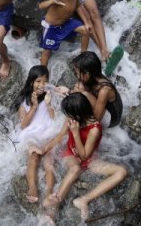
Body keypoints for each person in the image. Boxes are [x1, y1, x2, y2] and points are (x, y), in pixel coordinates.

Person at [38, 93, 128, 221]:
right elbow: (59, 137)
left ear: (78, 114)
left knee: (122, 172)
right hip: (70, 154)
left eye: (69, 114)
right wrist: (43, 149)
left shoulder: (94, 128)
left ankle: (84, 200)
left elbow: (85, 155)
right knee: (75, 169)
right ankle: (53, 206)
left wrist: (75, 133)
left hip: (89, 159)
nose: (67, 117)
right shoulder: (71, 118)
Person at [12, 65, 58, 204]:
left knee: (49, 162)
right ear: (31, 82)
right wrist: (34, 106)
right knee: (34, 157)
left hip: (48, 132)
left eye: (45, 81)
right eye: (38, 81)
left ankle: (49, 192)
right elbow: (24, 124)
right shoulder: (24, 101)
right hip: (30, 134)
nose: (41, 85)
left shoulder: (49, 96)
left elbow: (53, 118)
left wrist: (49, 104)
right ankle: (33, 187)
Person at [39, 0, 92, 66]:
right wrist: (52, 1)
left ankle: (83, 56)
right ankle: (42, 73)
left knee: (85, 30)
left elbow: (78, 6)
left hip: (66, 22)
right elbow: (41, 6)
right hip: (51, 27)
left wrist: (87, 21)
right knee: (47, 52)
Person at [70, 51, 123, 127]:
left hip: (112, 119)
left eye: (77, 73)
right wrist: (70, 91)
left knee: (83, 93)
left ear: (87, 74)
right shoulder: (94, 75)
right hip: (102, 106)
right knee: (79, 86)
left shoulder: (104, 90)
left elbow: (97, 118)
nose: (76, 75)